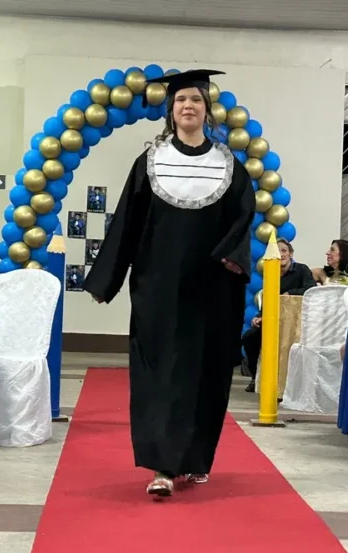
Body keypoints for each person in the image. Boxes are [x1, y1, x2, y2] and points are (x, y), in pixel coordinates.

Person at [83, 69, 255, 499]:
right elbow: (127, 222)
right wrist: (107, 279)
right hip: (157, 286)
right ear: (171, 111)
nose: (188, 106)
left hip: (211, 287)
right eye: (181, 100)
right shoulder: (150, 162)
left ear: (207, 110)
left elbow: (243, 219)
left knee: (205, 372)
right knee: (160, 372)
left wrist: (231, 257)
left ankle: (194, 458)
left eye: (195, 100)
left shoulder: (229, 167)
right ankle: (162, 466)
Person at [241, 238, 316, 392]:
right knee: (249, 338)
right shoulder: (271, 272)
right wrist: (260, 315)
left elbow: (311, 290)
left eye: (284, 251)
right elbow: (268, 298)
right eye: (278, 251)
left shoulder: (301, 270)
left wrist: (290, 293)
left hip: (296, 323)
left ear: (291, 254)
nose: (281, 254)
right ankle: (256, 377)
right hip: (273, 321)